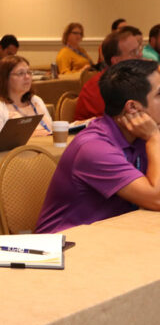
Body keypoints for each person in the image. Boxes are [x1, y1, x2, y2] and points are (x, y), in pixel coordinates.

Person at [37, 59, 160, 233]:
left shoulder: (139, 136)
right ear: (133, 107)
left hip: (113, 234)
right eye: (159, 95)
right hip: (64, 247)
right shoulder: (94, 148)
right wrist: (155, 138)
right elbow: (157, 200)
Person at [0, 55, 52, 145]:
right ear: (5, 78)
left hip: (46, 152)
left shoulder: (35, 100)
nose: (27, 77)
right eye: (20, 73)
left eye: (29, 72)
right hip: (15, 157)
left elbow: (51, 129)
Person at [75, 26, 143, 121]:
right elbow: (115, 124)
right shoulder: (98, 88)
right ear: (116, 61)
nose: (140, 55)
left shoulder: (137, 79)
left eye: (139, 49)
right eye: (133, 52)